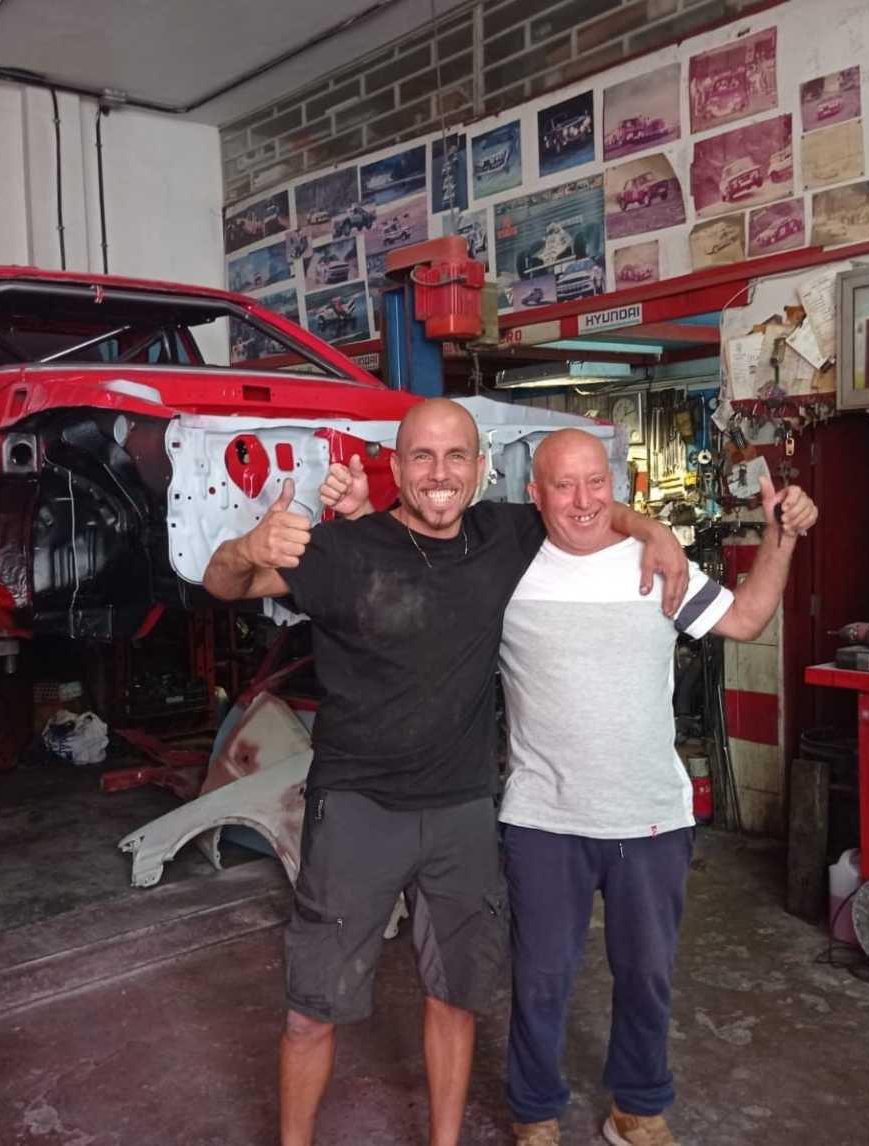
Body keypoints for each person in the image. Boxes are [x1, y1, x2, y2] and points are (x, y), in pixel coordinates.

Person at [201, 399, 689, 1146]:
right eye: (422, 457)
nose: (439, 472)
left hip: (462, 810)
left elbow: (586, 503)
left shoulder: (505, 533)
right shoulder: (344, 550)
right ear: (396, 469)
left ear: (480, 469)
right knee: (311, 1010)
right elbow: (221, 583)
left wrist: (654, 529)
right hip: (357, 808)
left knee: (455, 999)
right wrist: (246, 546)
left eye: (456, 455)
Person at [497, 429, 817, 1146]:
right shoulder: (507, 570)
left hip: (649, 817)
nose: (582, 500)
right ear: (534, 494)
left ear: (616, 485)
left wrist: (781, 539)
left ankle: (637, 1107)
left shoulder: (656, 562)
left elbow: (746, 618)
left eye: (595, 482)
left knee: (646, 976)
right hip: (545, 818)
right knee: (541, 979)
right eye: (563, 485)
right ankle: (535, 1112)